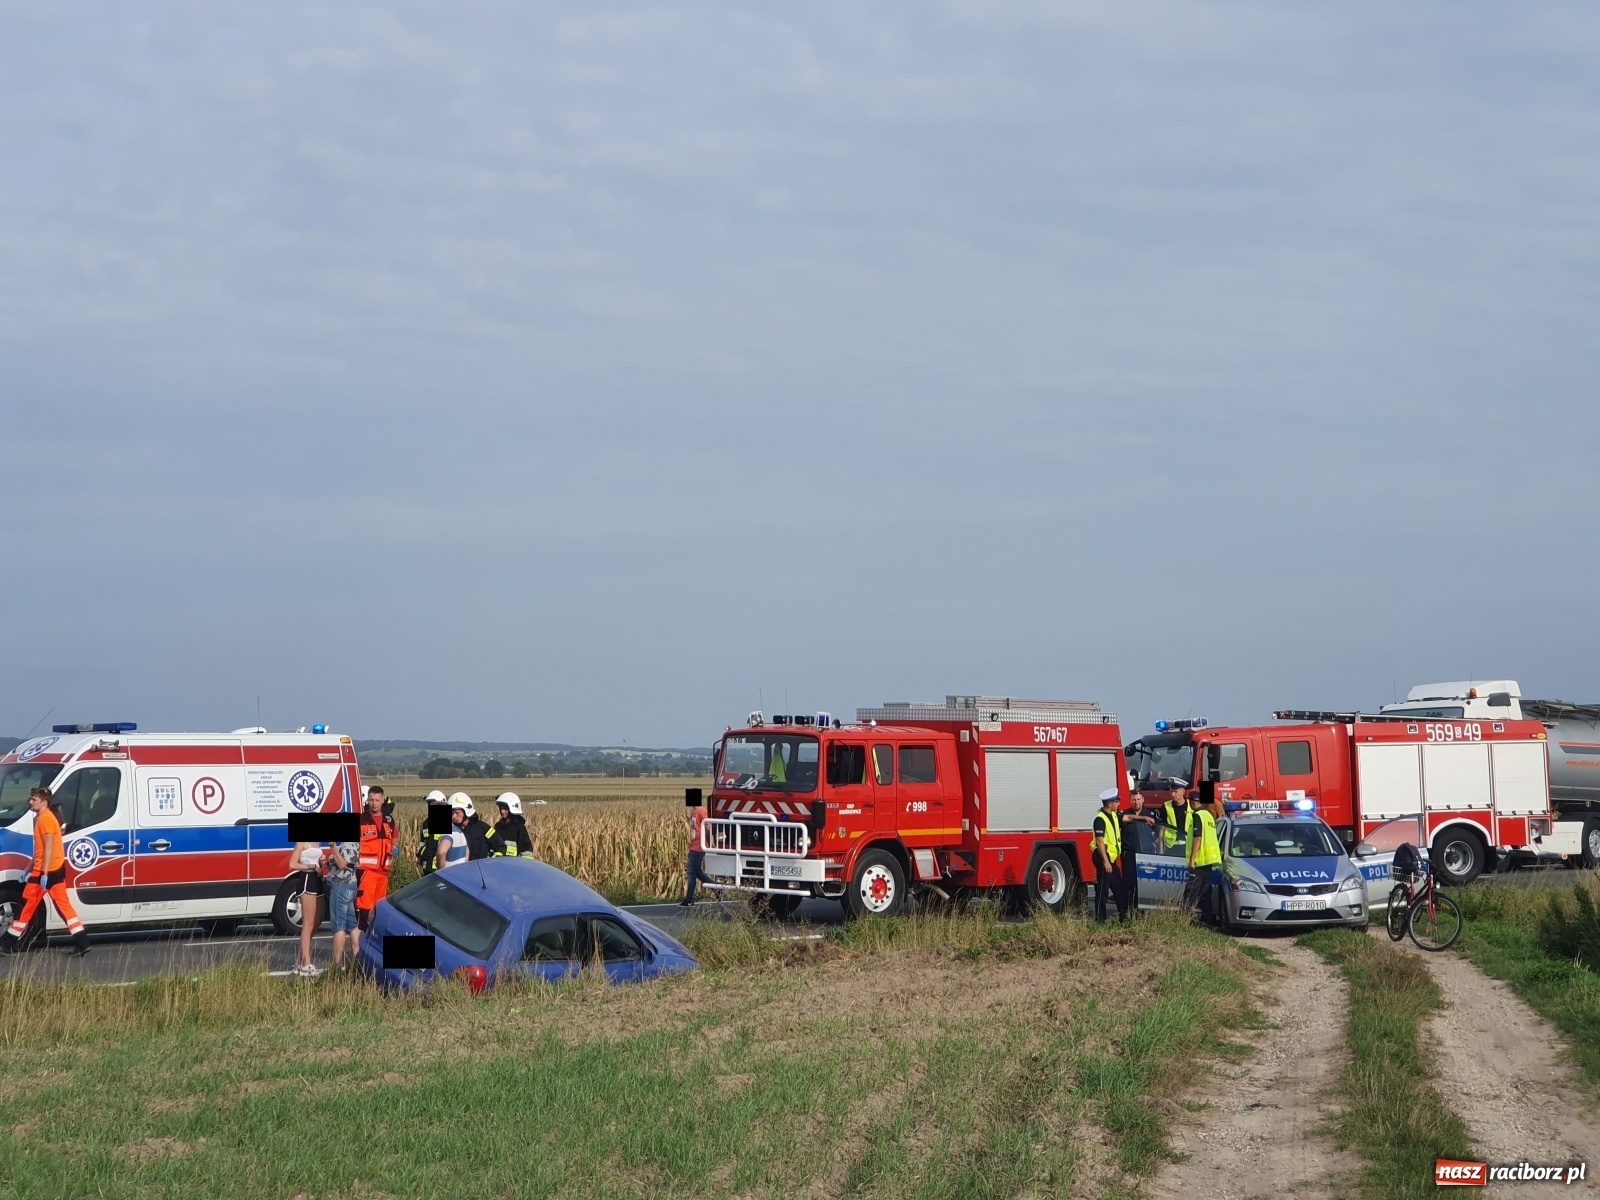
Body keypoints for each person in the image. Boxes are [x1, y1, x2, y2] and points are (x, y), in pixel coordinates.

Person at [0, 788, 91, 957]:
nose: (30, 802)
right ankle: (83, 942)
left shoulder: (46, 820)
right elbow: (41, 849)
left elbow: (49, 847)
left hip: (46, 871)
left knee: (26, 907)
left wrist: (44, 873)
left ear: (44, 802)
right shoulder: (42, 818)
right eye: (30, 799)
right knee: (64, 908)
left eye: (34, 799)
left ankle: (8, 945)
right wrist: (28, 868)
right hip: (52, 869)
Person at [355, 785, 397, 952]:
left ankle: (375, 950)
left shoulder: (389, 820)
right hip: (367, 873)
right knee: (364, 914)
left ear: (383, 800)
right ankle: (360, 952)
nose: (373, 803)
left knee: (378, 914)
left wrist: (396, 848)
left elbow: (395, 838)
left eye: (377, 800)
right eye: (371, 800)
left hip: (383, 874)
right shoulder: (361, 819)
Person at [1183, 791, 1223, 925]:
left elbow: (1198, 837)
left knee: (1190, 892)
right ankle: (1208, 920)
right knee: (1204, 893)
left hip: (1200, 860)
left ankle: (1183, 920)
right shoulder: (1208, 815)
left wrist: (1192, 858)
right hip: (1209, 860)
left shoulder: (1198, 815)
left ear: (1191, 801)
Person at [290, 838, 326, 976]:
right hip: (307, 880)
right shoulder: (302, 843)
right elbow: (292, 864)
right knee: (308, 923)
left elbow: (318, 863)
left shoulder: (317, 842)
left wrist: (321, 863)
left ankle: (300, 961)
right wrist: (310, 867)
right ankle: (306, 963)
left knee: (316, 923)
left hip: (318, 880)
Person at [1092, 788, 1128, 922]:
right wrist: (1106, 861)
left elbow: (1127, 818)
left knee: (1119, 889)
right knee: (1103, 890)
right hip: (1103, 857)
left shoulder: (1113, 815)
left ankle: (1124, 918)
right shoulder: (1100, 819)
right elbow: (1100, 841)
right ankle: (1100, 920)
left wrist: (1144, 817)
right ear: (1109, 804)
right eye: (1116, 802)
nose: (1118, 804)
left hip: (1110, 860)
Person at [325, 835, 359, 969]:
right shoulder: (352, 843)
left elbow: (342, 864)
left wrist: (333, 848)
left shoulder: (348, 844)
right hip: (350, 886)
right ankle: (358, 960)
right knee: (352, 925)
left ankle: (336, 966)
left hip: (341, 886)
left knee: (339, 926)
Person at [1121, 789, 1156, 914]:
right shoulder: (1125, 814)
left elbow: (1159, 833)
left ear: (1143, 800)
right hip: (1130, 855)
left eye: (1138, 799)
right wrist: (1142, 818)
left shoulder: (1151, 815)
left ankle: (1141, 913)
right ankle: (1129, 913)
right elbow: (1126, 818)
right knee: (1129, 886)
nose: (1136, 802)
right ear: (1130, 800)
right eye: (1133, 800)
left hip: (1146, 856)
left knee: (1144, 886)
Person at [679, 801, 710, 907]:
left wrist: (709, 843)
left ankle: (689, 899)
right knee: (697, 872)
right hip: (694, 845)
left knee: (691, 872)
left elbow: (708, 827)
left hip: (699, 846)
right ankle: (716, 889)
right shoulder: (694, 812)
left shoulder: (702, 812)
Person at [486, 793, 533, 857]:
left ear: (512, 809)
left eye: (505, 809)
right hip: (498, 864)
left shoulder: (519, 827)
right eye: (501, 808)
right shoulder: (498, 826)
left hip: (513, 865)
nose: (502, 811)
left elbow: (527, 854)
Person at [416, 789, 449, 874]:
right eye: (429, 804)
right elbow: (423, 841)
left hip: (441, 869)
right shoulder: (426, 822)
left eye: (433, 804)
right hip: (427, 867)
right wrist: (421, 851)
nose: (430, 806)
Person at [436, 796, 473, 870]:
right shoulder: (461, 833)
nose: (454, 816)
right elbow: (467, 853)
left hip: (448, 875)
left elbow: (441, 853)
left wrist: (440, 870)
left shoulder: (449, 833)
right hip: (460, 873)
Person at [457, 793, 492, 860]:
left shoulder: (483, 828)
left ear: (466, 811)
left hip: (480, 869)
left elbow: (499, 846)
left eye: (456, 812)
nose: (454, 816)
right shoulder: (453, 829)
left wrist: (490, 864)